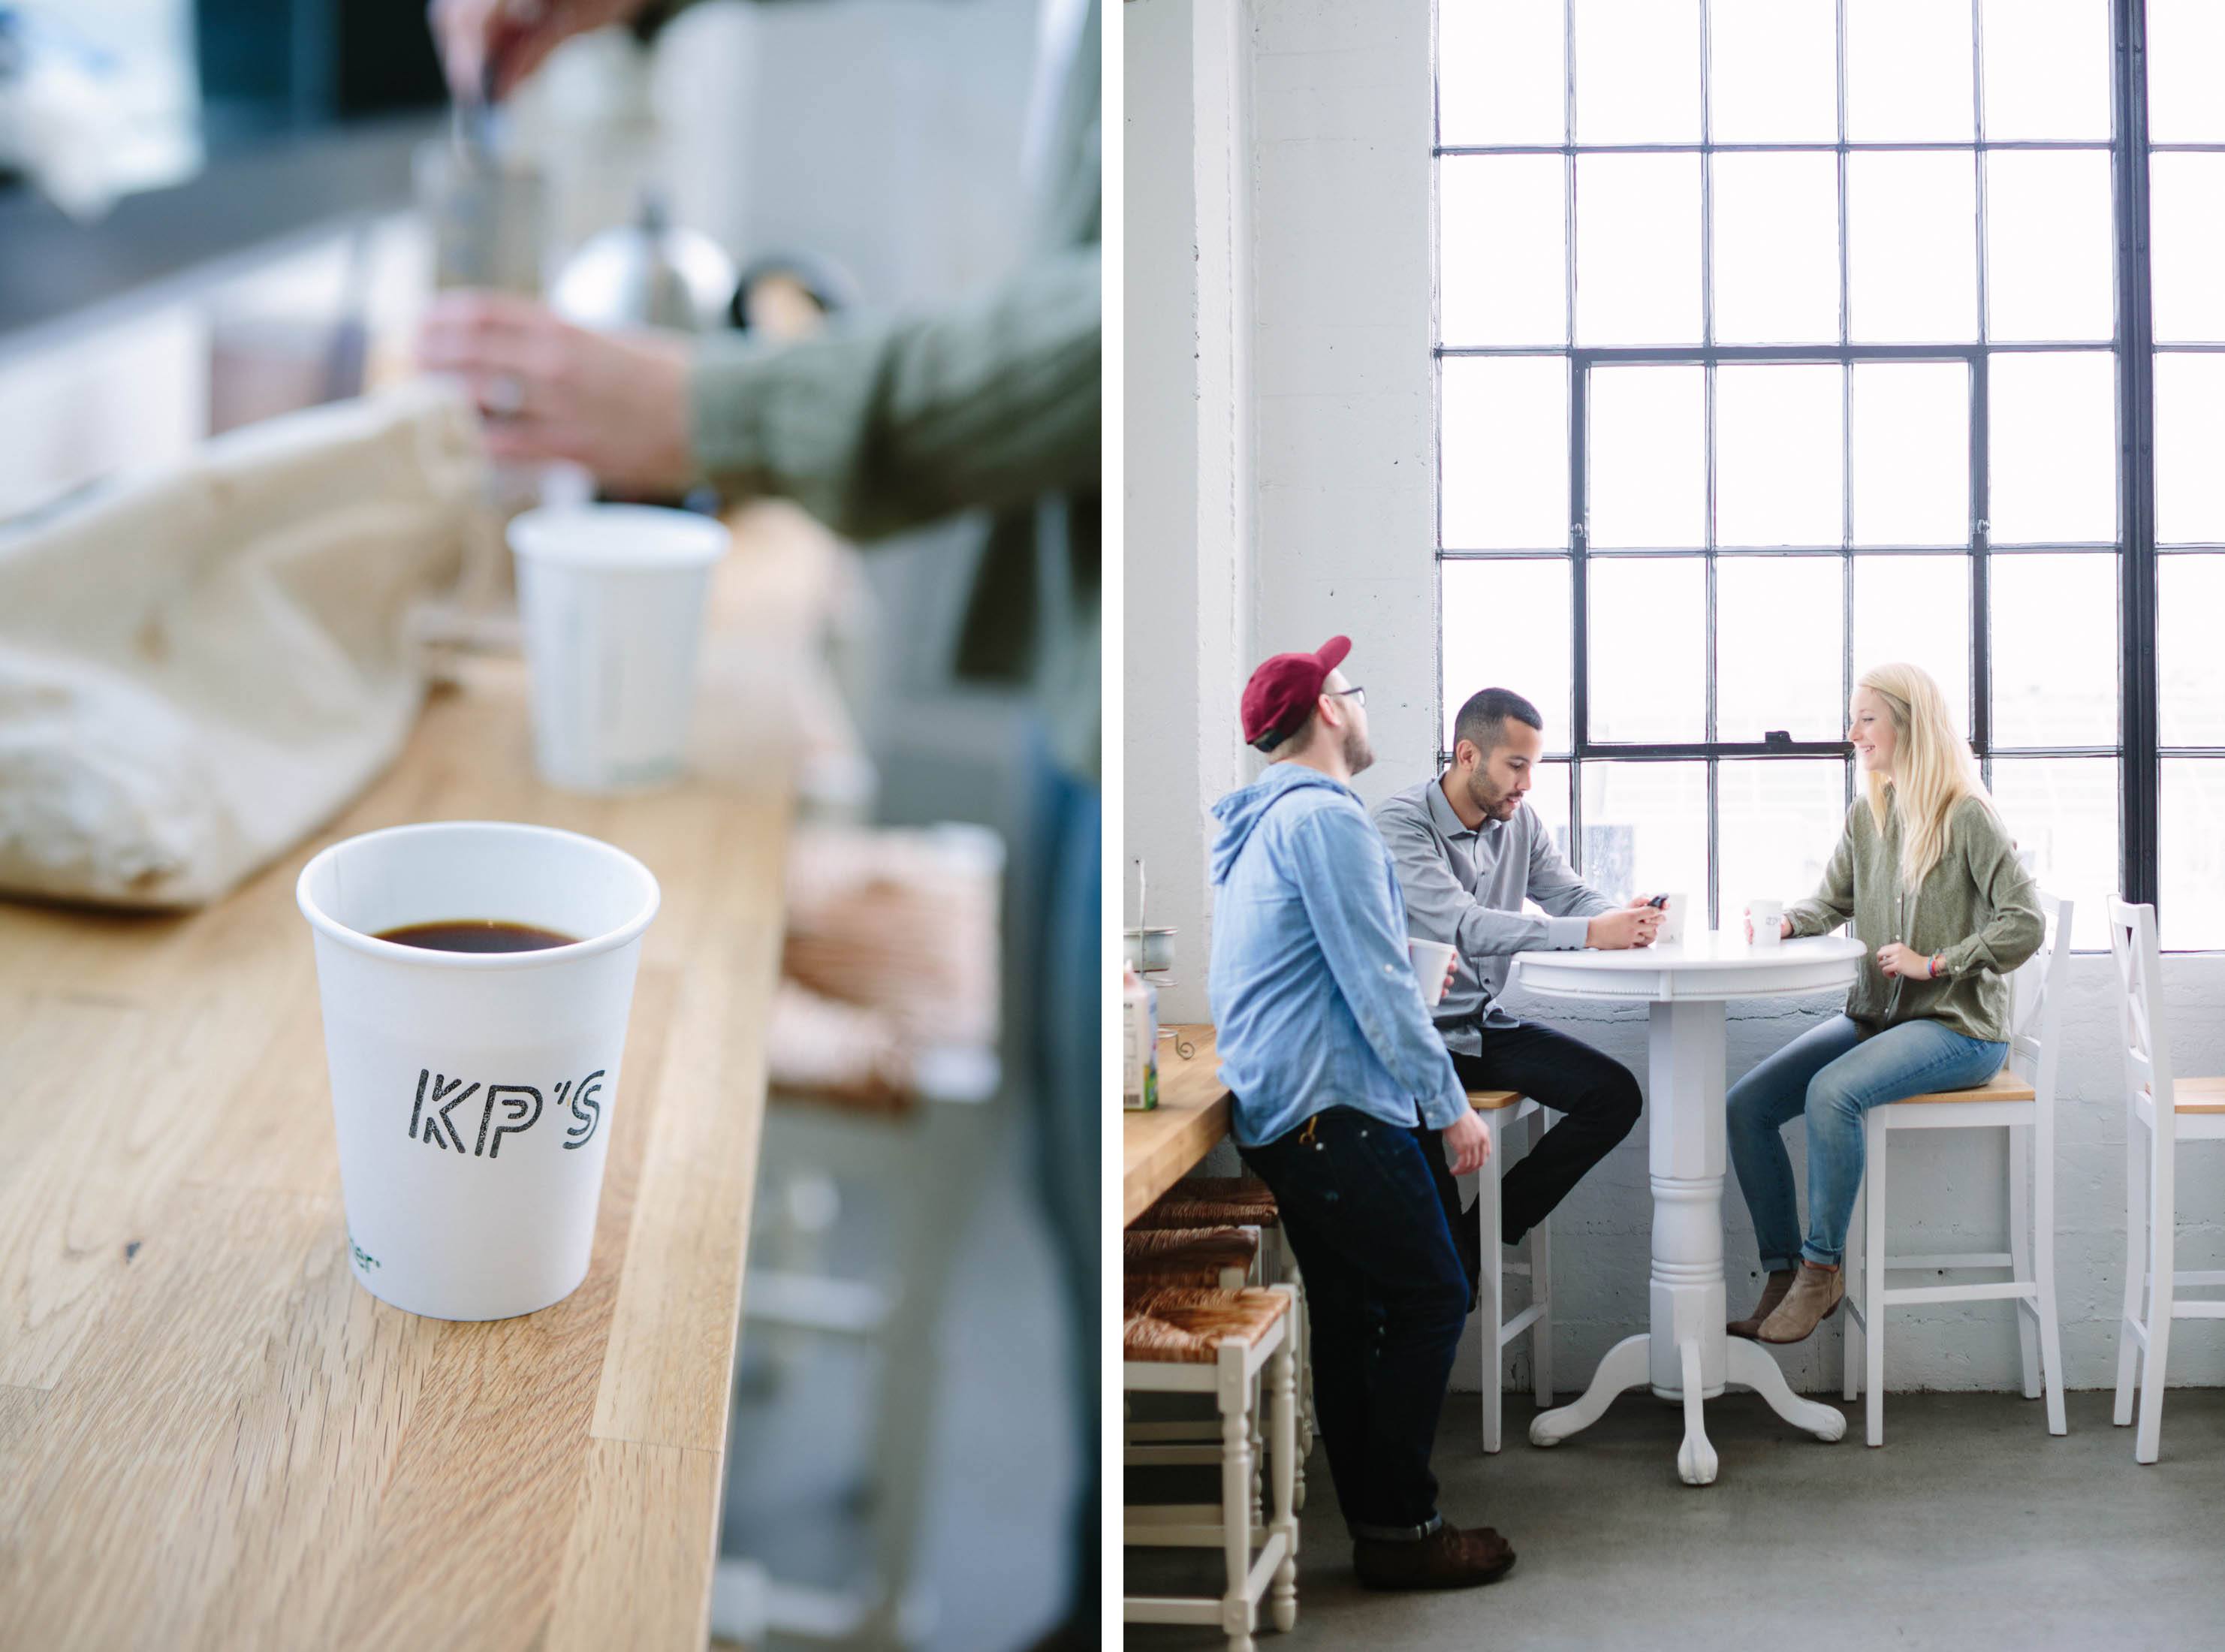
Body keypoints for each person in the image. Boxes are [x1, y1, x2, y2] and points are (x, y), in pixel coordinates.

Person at [422, 3, 1102, 1642]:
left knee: (1099, 1233)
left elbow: (1123, 319)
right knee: (1080, 1223)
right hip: (1087, 688)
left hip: (1106, 696)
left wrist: (722, 408)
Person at [1207, 635, 1515, 1592]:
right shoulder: (1328, 821)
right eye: (1355, 688)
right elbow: (1379, 985)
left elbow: (1339, 964)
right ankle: (1400, 1525)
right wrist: (1449, 1105)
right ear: (1330, 711)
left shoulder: (1261, 823)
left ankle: (1381, 1524)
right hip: (1330, 1108)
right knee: (1432, 1295)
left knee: (1353, 1315)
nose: (1363, 703)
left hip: (1287, 1108)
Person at [1726, 662, 2043, 1345]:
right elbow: (1832, 899)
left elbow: (2024, 922)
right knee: (1746, 1106)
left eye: (1866, 718)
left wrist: (1938, 963)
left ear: (1908, 723)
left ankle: (1821, 1272)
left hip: (1958, 1028)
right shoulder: (1867, 814)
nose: (1852, 733)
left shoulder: (1966, 814)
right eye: (1854, 718)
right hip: (1879, 1018)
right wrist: (1785, 922)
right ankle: (1782, 1273)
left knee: (1832, 1093)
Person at [1370, 686, 1654, 1277]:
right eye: (1516, 766)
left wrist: (1618, 919)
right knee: (1439, 1269)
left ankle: (1482, 1237)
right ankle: (1456, 1266)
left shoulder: (1517, 821)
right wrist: (1591, 933)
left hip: (1480, 1027)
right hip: (1410, 1045)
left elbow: (1567, 894)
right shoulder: (1401, 825)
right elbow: (1464, 926)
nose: (1526, 784)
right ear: (1468, 755)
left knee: (1614, 1095)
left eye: (1533, 767)